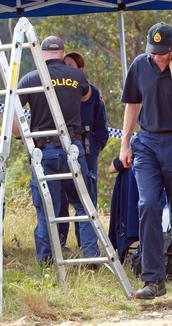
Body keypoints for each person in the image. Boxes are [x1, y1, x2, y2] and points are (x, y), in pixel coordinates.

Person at [120, 22, 172, 301]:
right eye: (153, 52)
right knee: (148, 204)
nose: (157, 58)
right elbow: (132, 103)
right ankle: (153, 280)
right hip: (147, 143)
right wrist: (124, 144)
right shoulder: (140, 64)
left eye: (163, 53)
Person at [14, 35, 99, 264]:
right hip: (72, 147)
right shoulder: (77, 76)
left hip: (44, 150)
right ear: (62, 53)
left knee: (46, 208)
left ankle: (47, 261)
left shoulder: (30, 79)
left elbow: (14, 114)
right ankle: (91, 257)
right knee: (83, 203)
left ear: (42, 54)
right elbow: (87, 96)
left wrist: (19, 135)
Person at [58, 52, 109, 247]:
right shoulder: (57, 91)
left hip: (87, 152)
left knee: (87, 199)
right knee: (60, 198)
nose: (66, 69)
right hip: (61, 150)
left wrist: (94, 148)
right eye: (64, 65)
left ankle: (87, 245)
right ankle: (60, 243)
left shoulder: (92, 93)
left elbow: (101, 127)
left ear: (80, 69)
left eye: (70, 65)